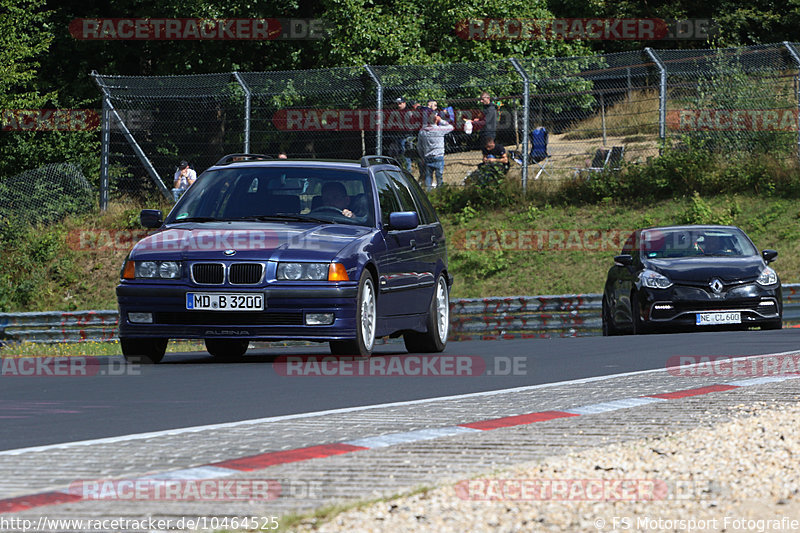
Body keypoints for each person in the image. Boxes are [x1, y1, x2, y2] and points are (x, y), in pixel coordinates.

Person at [417, 113, 454, 190]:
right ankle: (440, 191)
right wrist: (441, 120)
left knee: (428, 176)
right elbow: (451, 127)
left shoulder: (423, 131)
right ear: (436, 120)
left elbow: (419, 146)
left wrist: (422, 156)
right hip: (438, 156)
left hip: (427, 156)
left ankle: (428, 192)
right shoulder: (440, 129)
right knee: (439, 176)